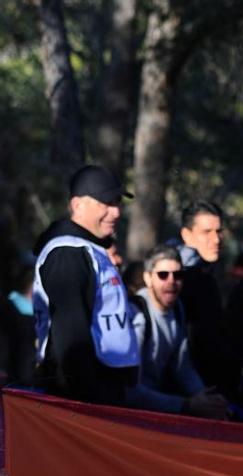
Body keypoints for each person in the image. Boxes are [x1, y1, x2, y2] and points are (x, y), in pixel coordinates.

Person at [32, 165, 139, 404]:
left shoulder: (89, 249)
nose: (116, 212)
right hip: (80, 401)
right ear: (78, 205)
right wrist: (89, 401)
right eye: (106, 202)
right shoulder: (68, 252)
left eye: (118, 202)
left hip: (101, 393)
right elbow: (71, 340)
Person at [126, 246, 227, 418]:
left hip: (159, 406)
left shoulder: (177, 308)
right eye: (163, 275)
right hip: (133, 414)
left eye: (178, 275)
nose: (171, 282)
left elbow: (182, 366)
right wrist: (187, 405)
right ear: (148, 278)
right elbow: (131, 391)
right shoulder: (137, 314)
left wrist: (204, 398)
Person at [177, 200, 239, 397]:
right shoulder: (179, 278)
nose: (216, 239)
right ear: (186, 235)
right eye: (206, 232)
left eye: (218, 231)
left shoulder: (209, 272)